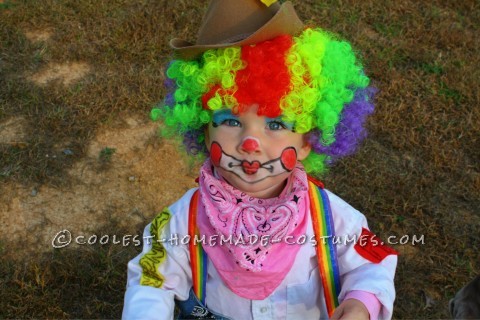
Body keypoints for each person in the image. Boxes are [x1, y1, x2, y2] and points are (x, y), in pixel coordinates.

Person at [122, 1, 397, 319]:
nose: (251, 144)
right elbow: (150, 281)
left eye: (277, 124)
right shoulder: (181, 221)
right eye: (230, 121)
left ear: (309, 141)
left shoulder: (334, 218)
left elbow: (373, 263)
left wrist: (361, 303)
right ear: (204, 131)